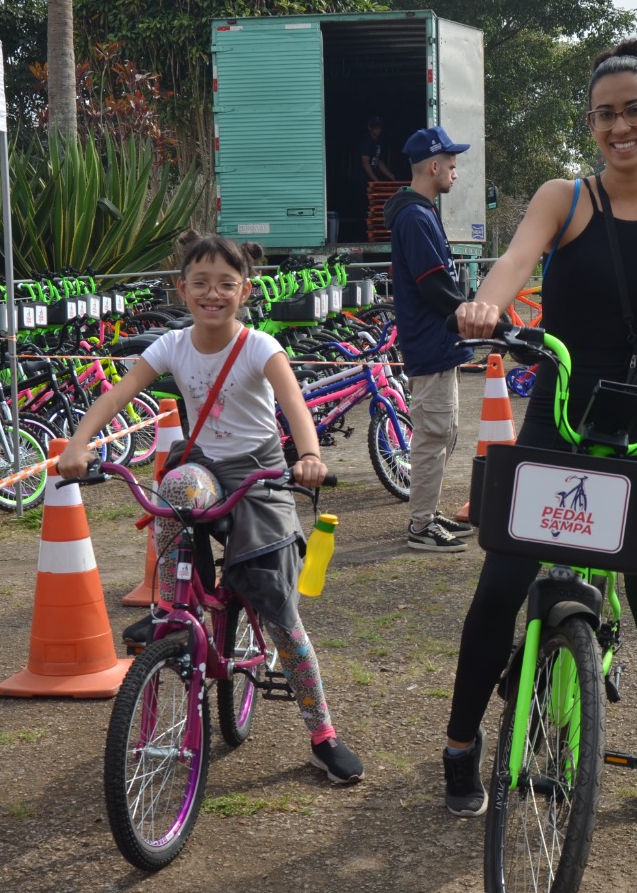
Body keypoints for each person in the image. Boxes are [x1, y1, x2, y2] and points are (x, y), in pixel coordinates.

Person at [443, 39, 637, 827]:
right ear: (592, 125)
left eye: (635, 112)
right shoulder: (565, 196)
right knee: (503, 581)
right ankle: (459, 742)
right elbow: (517, 259)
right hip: (560, 404)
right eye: (606, 115)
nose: (622, 127)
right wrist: (488, 305)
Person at [56, 230, 364, 785]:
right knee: (173, 492)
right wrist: (80, 443)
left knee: (277, 609)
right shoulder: (172, 346)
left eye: (226, 284)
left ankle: (322, 733)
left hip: (261, 471)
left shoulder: (259, 347)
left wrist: (310, 455)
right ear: (181, 289)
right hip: (203, 466)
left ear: (245, 290)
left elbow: (293, 401)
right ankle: (174, 611)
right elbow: (118, 394)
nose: (213, 293)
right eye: (200, 283)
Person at [384, 125, 474, 552]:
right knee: (433, 433)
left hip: (439, 343)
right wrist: (466, 315)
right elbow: (433, 283)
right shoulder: (416, 216)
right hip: (431, 340)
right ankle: (420, 525)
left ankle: (428, 511)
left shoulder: (422, 212)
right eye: (452, 166)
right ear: (434, 166)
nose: (455, 173)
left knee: (442, 432)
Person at [348, 116, 397, 241]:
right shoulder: (366, 140)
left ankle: (369, 235)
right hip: (361, 179)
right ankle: (360, 237)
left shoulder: (378, 143)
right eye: (375, 128)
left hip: (369, 180)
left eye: (380, 128)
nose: (378, 130)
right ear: (370, 128)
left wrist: (391, 177)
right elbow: (365, 162)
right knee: (363, 208)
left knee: (372, 207)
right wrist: (376, 181)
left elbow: (379, 162)